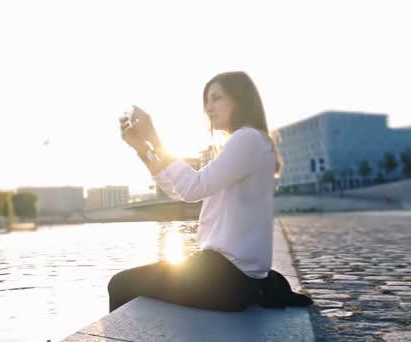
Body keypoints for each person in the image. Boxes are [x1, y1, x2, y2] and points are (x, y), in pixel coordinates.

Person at [110, 71, 312, 313]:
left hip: (226, 279)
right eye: (207, 101)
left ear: (241, 100)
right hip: (238, 276)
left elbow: (192, 189)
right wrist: (143, 149)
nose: (208, 108)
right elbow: (179, 191)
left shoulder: (246, 138)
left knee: (121, 284)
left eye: (217, 98)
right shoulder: (251, 142)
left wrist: (154, 137)